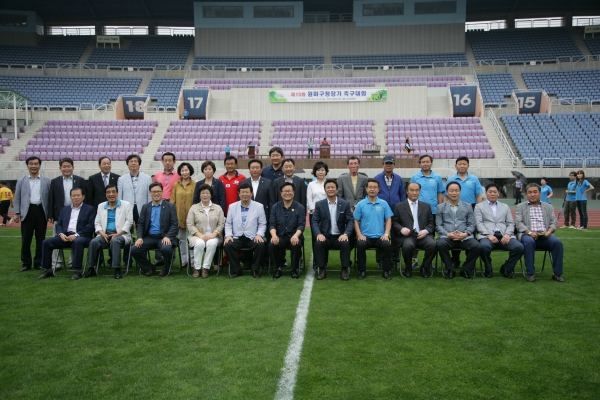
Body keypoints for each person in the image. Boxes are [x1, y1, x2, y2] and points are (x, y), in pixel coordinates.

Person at [37, 188, 96, 280]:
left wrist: (76, 235)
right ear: (71, 197)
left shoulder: (90, 209)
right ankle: (48, 270)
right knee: (46, 242)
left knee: (77, 242)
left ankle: (77, 271)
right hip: (65, 236)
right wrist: (60, 234)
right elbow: (59, 224)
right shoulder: (65, 209)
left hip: (82, 237)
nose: (76, 197)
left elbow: (91, 226)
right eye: (73, 195)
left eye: (78, 195)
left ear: (83, 197)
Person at [515, 183, 565, 282]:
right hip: (527, 235)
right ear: (526, 195)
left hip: (545, 235)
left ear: (540, 193)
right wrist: (529, 233)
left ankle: (557, 274)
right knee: (529, 242)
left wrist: (548, 232)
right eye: (530, 192)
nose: (532, 194)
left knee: (557, 243)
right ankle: (531, 273)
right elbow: (518, 223)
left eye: (535, 192)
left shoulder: (548, 207)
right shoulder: (520, 206)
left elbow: (553, 222)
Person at [474, 183, 524, 278]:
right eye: (490, 192)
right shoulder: (479, 206)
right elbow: (479, 223)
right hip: (487, 236)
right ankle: (488, 269)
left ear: (498, 193)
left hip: (503, 235)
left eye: (495, 192)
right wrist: (489, 235)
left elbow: (510, 223)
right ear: (486, 193)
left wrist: (507, 235)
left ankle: (506, 268)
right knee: (483, 246)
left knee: (519, 247)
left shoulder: (505, 206)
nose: (492, 194)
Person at [130, 182, 179, 277]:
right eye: (153, 192)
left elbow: (174, 224)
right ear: (150, 193)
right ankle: (149, 268)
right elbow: (140, 224)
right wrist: (139, 237)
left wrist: (168, 237)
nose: (156, 193)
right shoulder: (145, 207)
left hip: (164, 237)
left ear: (162, 192)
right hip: (149, 237)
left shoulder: (170, 206)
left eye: (158, 191)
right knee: (134, 249)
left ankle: (165, 269)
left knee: (166, 249)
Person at [86, 184, 133, 279]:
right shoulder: (101, 206)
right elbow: (97, 222)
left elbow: (129, 222)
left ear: (117, 193)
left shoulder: (126, 205)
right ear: (105, 194)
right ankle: (91, 268)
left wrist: (117, 234)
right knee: (94, 242)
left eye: (113, 192)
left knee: (115, 241)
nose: (111, 194)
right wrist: (102, 233)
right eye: (108, 192)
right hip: (104, 234)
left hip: (121, 234)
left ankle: (117, 269)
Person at [436, 181, 481, 280]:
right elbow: (438, 225)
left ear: (460, 192)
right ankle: (450, 269)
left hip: (464, 237)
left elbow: (472, 224)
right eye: (451, 191)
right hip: (447, 237)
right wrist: (448, 234)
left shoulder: (468, 206)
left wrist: (465, 234)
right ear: (447, 192)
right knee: (440, 244)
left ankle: (465, 269)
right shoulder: (440, 207)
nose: (454, 193)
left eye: (456, 190)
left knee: (477, 246)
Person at [13, 156, 51, 272]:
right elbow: (17, 198)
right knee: (26, 239)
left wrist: (50, 214)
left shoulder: (47, 181)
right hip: (27, 212)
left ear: (40, 165)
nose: (33, 166)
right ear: (27, 165)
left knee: (41, 239)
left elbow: (49, 198)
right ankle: (26, 263)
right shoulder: (21, 181)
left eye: (36, 164)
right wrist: (16, 213)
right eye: (31, 164)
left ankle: (39, 262)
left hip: (41, 211)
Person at [445, 156, 484, 269]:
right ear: (456, 166)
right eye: (460, 164)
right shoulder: (451, 179)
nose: (462, 166)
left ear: (468, 166)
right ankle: (455, 260)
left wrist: (478, 209)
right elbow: (446, 195)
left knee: (470, 234)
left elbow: (478, 195)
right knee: (455, 232)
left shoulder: (474, 179)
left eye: (464, 164)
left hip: (471, 208)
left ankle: (469, 262)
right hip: (454, 208)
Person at [392, 182, 437, 278]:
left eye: (417, 190)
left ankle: (424, 267)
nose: (414, 192)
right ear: (407, 192)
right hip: (408, 236)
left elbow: (431, 223)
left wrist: (426, 231)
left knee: (433, 245)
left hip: (423, 235)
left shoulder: (426, 206)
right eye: (412, 190)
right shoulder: (399, 206)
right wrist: (401, 229)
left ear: (419, 192)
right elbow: (394, 222)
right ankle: (408, 268)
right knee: (407, 246)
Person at [48, 157, 86, 269]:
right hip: (59, 214)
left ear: (73, 167)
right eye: (64, 166)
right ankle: (57, 263)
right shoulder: (55, 181)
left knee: (75, 238)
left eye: (68, 166)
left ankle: (72, 262)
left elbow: (85, 197)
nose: (66, 168)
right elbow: (51, 198)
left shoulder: (80, 180)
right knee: (57, 237)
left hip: (77, 213)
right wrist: (50, 214)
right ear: (60, 168)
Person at [312, 179, 354, 280]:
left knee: (345, 243)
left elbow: (350, 221)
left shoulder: (345, 204)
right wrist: (318, 234)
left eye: (332, 187)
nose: (330, 189)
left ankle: (344, 270)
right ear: (325, 190)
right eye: (328, 187)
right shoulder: (319, 204)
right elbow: (314, 221)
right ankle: (322, 269)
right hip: (325, 236)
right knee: (318, 243)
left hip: (339, 236)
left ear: (337, 190)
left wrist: (346, 234)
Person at [223, 182, 267, 279]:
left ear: (251, 193)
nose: (245, 194)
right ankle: (236, 269)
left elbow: (262, 223)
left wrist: (259, 234)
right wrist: (229, 235)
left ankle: (255, 269)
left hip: (252, 236)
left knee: (261, 245)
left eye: (247, 192)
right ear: (239, 194)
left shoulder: (259, 206)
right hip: (237, 237)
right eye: (242, 192)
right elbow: (228, 223)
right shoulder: (232, 206)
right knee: (228, 245)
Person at [353, 178, 394, 280]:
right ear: (366, 189)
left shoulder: (383, 203)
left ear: (378, 189)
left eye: (375, 187)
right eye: (370, 187)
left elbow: (389, 219)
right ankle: (362, 271)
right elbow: (355, 221)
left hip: (380, 237)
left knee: (386, 245)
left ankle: (386, 271)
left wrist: (386, 234)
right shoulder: (360, 204)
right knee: (360, 245)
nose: (372, 189)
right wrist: (359, 235)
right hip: (365, 237)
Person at [409, 154, 444, 269]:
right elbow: (411, 192)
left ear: (431, 163)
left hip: (433, 211)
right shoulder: (415, 177)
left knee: (430, 236)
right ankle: (414, 260)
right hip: (417, 211)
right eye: (423, 162)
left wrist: (440, 208)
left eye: (427, 162)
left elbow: (440, 193)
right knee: (415, 235)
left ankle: (428, 262)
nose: (425, 163)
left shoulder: (437, 177)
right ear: (420, 164)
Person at [373, 155, 406, 268]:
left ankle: (394, 259)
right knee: (380, 236)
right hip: (380, 212)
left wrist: (402, 208)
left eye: (390, 163)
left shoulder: (398, 179)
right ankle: (381, 260)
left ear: (394, 165)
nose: (388, 165)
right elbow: (373, 194)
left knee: (396, 237)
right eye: (386, 163)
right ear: (382, 164)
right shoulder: (376, 178)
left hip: (395, 212)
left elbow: (402, 194)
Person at [187, 183, 224, 278]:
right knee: (199, 243)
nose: (205, 195)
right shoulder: (194, 208)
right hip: (197, 236)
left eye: (207, 193)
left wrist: (213, 234)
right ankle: (197, 268)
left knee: (211, 243)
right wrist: (200, 235)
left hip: (214, 236)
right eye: (202, 193)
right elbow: (190, 225)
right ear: (199, 195)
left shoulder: (218, 208)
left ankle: (205, 268)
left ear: (211, 195)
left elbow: (221, 224)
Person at [269, 182, 306, 279]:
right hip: (280, 236)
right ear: (281, 193)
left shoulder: (300, 207)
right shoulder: (275, 207)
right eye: (285, 191)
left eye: (289, 191)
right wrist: (274, 235)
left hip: (294, 236)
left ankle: (294, 269)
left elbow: (301, 225)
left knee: (296, 244)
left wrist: (296, 236)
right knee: (273, 244)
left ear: (293, 192)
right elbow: (272, 224)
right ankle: (277, 269)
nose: (287, 193)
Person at [171, 162, 196, 268]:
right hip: (179, 216)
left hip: (192, 216)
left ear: (190, 171)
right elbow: (172, 201)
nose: (184, 172)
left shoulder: (195, 184)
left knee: (192, 239)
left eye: (186, 170)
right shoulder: (176, 185)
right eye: (182, 170)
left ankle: (193, 260)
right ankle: (184, 260)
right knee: (181, 239)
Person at [117, 154, 152, 225]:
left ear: (139, 164)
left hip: (142, 207)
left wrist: (149, 207)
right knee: (127, 228)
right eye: (131, 161)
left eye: (135, 161)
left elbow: (149, 195)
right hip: (127, 207)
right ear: (128, 164)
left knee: (142, 227)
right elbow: (120, 196)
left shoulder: (147, 178)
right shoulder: (121, 179)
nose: (133, 163)